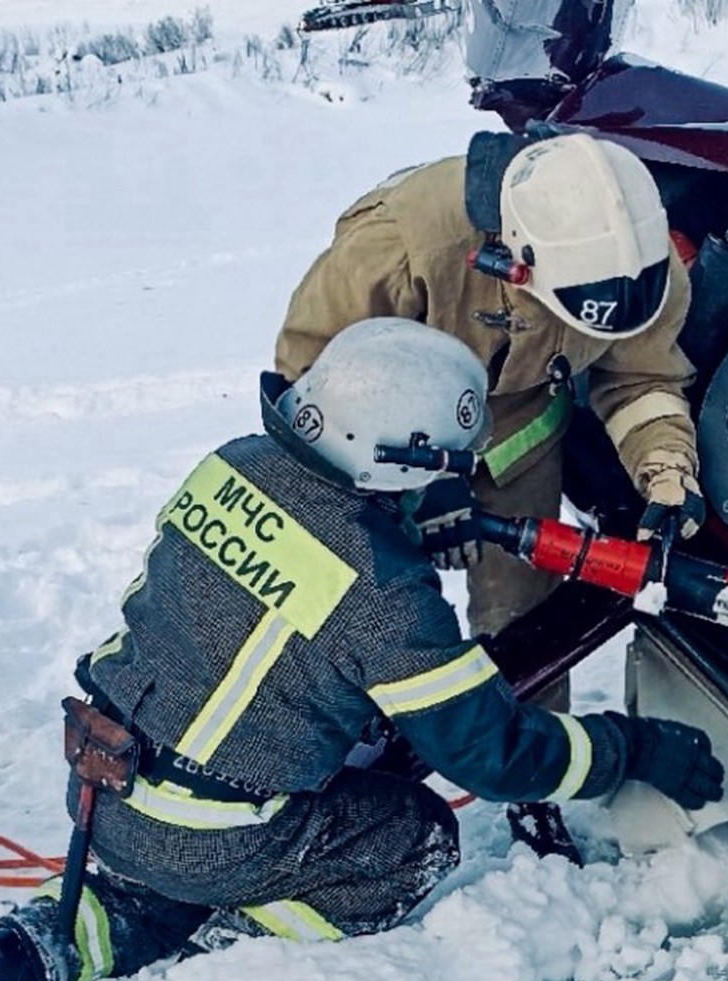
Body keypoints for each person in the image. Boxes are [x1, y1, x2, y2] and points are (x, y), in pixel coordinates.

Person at [0, 318, 722, 981]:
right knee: (411, 836)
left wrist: (400, 525)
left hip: (104, 782)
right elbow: (495, 756)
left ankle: (31, 948)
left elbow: (284, 590)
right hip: (209, 829)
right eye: (448, 469)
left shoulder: (235, 463)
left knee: (164, 870)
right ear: (397, 468)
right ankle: (231, 950)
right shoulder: (385, 596)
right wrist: (633, 748)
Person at [274, 130, 703, 863]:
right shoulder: (401, 244)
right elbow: (309, 378)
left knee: (526, 614)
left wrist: (666, 470)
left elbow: (639, 377)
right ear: (515, 260)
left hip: (515, 428)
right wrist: (420, 484)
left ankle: (530, 787)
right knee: (362, 609)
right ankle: (326, 765)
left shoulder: (640, 267)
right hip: (374, 435)